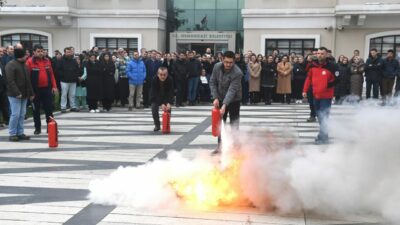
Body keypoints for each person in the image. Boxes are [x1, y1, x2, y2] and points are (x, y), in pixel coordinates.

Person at [303, 47, 339, 145]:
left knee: (324, 116)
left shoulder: (332, 66)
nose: (319, 55)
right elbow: (308, 79)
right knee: (319, 116)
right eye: (318, 53)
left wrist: (326, 86)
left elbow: (337, 79)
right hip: (315, 95)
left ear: (327, 54)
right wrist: (305, 90)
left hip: (326, 96)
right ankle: (324, 135)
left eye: (322, 53)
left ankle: (322, 137)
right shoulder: (312, 66)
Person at [209, 51, 243, 154]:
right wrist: (215, 97)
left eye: (231, 62)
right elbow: (212, 82)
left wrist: (224, 105)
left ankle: (235, 147)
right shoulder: (216, 67)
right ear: (222, 59)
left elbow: (232, 90)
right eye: (226, 62)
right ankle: (220, 147)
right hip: (220, 97)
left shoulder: (237, 73)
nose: (228, 64)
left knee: (234, 124)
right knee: (220, 124)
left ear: (234, 61)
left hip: (234, 100)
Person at [25, 44, 58, 135]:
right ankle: (37, 128)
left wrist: (54, 86)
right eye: (38, 51)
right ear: (34, 52)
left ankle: (50, 128)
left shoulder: (47, 61)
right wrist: (30, 93)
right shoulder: (29, 62)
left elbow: (51, 74)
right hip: (35, 91)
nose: (41, 53)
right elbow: (27, 79)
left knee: (49, 109)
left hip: (47, 89)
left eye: (42, 51)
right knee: (36, 110)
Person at [5, 48, 35, 141]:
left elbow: (28, 81)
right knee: (15, 114)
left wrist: (31, 93)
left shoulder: (25, 65)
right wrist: (17, 93)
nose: (27, 56)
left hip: (25, 94)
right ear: (20, 56)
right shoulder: (10, 65)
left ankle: (20, 132)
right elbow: (10, 81)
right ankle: (12, 133)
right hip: (15, 95)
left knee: (22, 114)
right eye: (25, 55)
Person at [150, 67, 174, 132]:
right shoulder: (154, 80)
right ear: (157, 74)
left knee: (168, 108)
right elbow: (155, 93)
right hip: (156, 97)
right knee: (154, 108)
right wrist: (161, 104)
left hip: (166, 97)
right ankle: (157, 125)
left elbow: (171, 92)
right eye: (161, 74)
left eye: (164, 74)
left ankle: (166, 125)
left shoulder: (170, 79)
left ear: (167, 74)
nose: (163, 76)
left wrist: (169, 102)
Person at [57, 47, 80, 113]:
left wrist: (75, 76)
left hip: (73, 81)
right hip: (64, 81)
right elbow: (58, 70)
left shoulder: (73, 60)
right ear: (65, 53)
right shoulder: (61, 61)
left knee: (72, 94)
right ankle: (63, 107)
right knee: (64, 94)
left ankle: (73, 106)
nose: (69, 53)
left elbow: (77, 69)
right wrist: (64, 75)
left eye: (70, 52)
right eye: (67, 52)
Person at [0, 60, 9, 127]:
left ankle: (7, 120)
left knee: (5, 105)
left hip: (3, 89)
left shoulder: (3, 67)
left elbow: (6, 77)